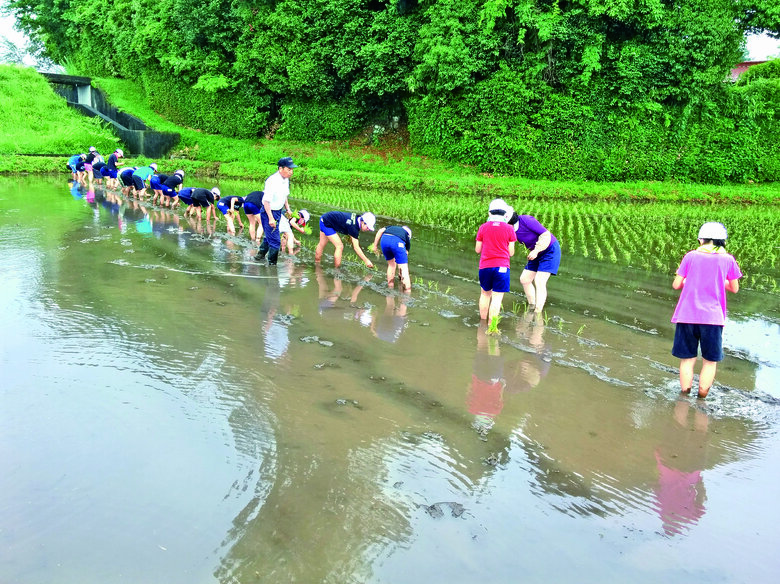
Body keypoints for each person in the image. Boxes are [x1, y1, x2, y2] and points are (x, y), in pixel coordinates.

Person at [671, 221, 742, 399]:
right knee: (710, 362)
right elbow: (734, 288)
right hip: (713, 319)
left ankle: (684, 396)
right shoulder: (728, 259)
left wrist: (689, 280)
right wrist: (718, 281)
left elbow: (676, 284)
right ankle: (702, 398)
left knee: (687, 360)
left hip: (687, 316)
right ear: (722, 241)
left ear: (701, 239)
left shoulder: (690, 256)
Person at [508, 210, 561, 314]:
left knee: (540, 281)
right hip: (536, 252)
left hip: (550, 249)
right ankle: (532, 306)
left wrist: (536, 250)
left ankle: (538, 312)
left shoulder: (526, 219)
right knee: (525, 279)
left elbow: (546, 234)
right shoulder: (511, 229)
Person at [475, 199, 516, 324]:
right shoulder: (509, 229)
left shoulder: (483, 227)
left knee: (485, 294)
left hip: (485, 266)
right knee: (497, 298)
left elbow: (477, 250)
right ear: (505, 214)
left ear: (489, 213)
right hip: (502, 267)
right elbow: (511, 252)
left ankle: (482, 323)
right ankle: (491, 327)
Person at [254, 157, 296, 266]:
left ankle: (260, 256)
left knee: (271, 237)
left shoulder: (285, 179)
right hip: (269, 212)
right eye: (289, 169)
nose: (291, 172)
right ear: (280, 168)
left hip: (278, 211)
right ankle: (272, 265)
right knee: (276, 242)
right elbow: (266, 201)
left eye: (292, 169)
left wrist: (288, 209)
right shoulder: (272, 181)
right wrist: (271, 218)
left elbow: (285, 195)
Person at [370, 225, 412, 290]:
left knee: (391, 265)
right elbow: (404, 257)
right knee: (404, 268)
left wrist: (375, 246)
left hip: (384, 240)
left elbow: (380, 231)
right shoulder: (406, 237)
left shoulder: (391, 227)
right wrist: (400, 273)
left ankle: (390, 287)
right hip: (397, 242)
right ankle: (407, 292)